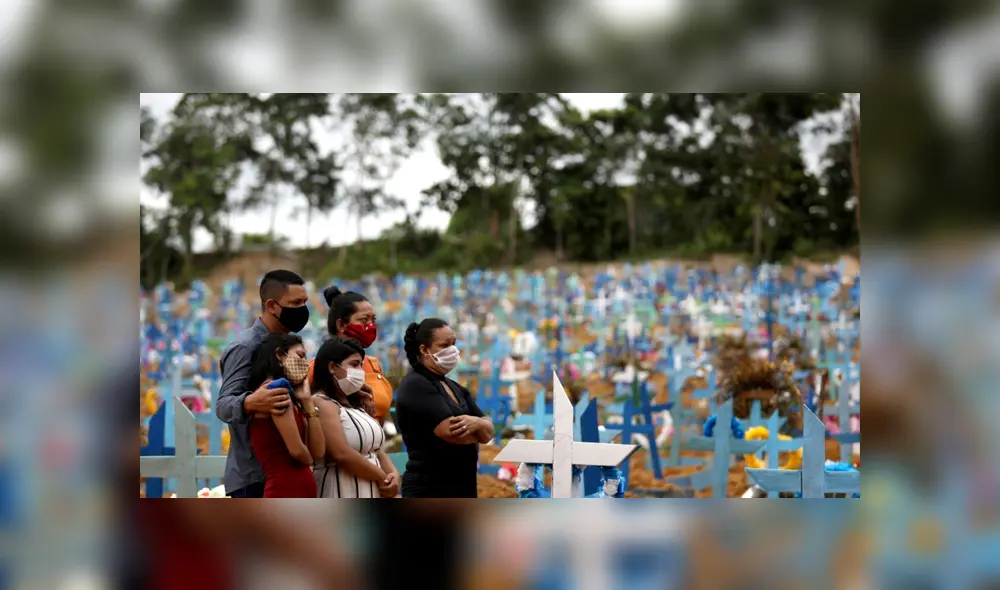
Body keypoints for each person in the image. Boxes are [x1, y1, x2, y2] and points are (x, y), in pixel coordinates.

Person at [216, 270, 310, 498]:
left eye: (305, 302)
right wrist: (250, 402)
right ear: (272, 306)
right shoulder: (245, 347)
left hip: (290, 472)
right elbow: (223, 405)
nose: (303, 310)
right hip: (255, 476)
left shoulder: (291, 346)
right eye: (295, 303)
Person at [396, 319, 494, 498]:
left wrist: (478, 424)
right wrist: (479, 428)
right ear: (424, 349)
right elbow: (451, 433)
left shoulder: (455, 387)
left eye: (454, 344)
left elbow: (488, 433)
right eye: (444, 345)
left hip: (463, 488)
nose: (453, 350)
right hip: (429, 489)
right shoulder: (416, 384)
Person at [311, 337, 400, 498]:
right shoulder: (321, 402)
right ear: (332, 367)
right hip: (340, 489)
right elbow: (341, 453)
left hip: (371, 490)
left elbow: (377, 450)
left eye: (361, 364)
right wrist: (381, 477)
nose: (360, 370)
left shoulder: (357, 405)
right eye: (354, 364)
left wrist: (393, 474)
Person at [247, 333, 324, 498]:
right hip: (285, 487)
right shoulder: (275, 391)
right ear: (280, 355)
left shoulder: (292, 396)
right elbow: (297, 451)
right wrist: (309, 460)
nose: (305, 364)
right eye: (300, 356)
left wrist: (307, 401)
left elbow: (317, 451)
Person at [307, 286, 393, 423]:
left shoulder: (373, 365)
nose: (371, 326)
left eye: (373, 320)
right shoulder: (315, 368)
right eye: (364, 320)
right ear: (341, 325)